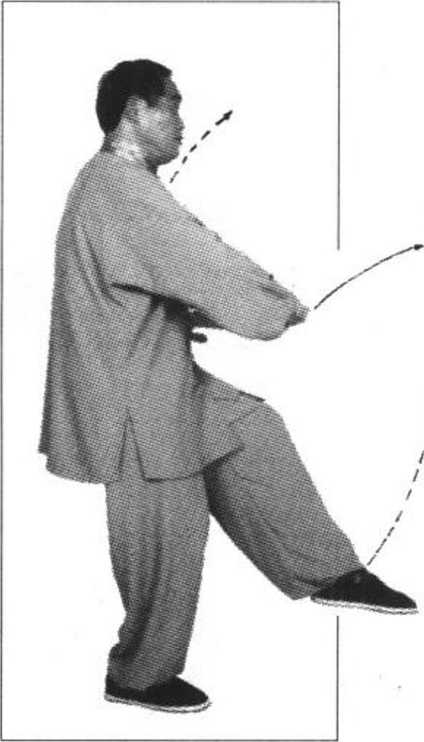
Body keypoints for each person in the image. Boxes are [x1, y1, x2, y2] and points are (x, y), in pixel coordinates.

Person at [38, 59, 418, 714]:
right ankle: (138, 675)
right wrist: (274, 306)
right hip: (130, 399)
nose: (181, 122)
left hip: (159, 375)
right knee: (169, 527)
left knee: (251, 432)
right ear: (135, 111)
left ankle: (329, 572)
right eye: (172, 106)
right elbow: (200, 260)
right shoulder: (117, 189)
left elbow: (150, 277)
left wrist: (193, 315)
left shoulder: (119, 185)